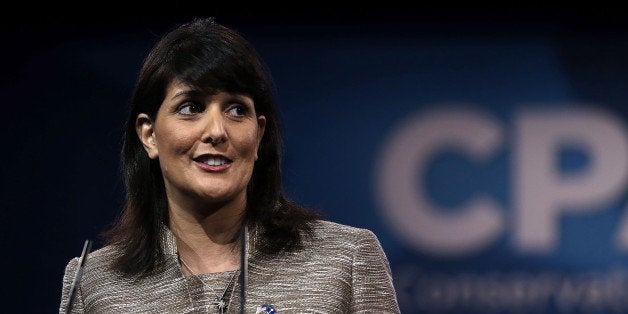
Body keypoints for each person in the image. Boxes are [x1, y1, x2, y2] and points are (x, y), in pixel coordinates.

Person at [58, 17, 400, 313]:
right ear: (149, 135)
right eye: (191, 107)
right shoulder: (93, 282)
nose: (217, 131)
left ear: (259, 135)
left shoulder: (345, 260)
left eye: (236, 109)